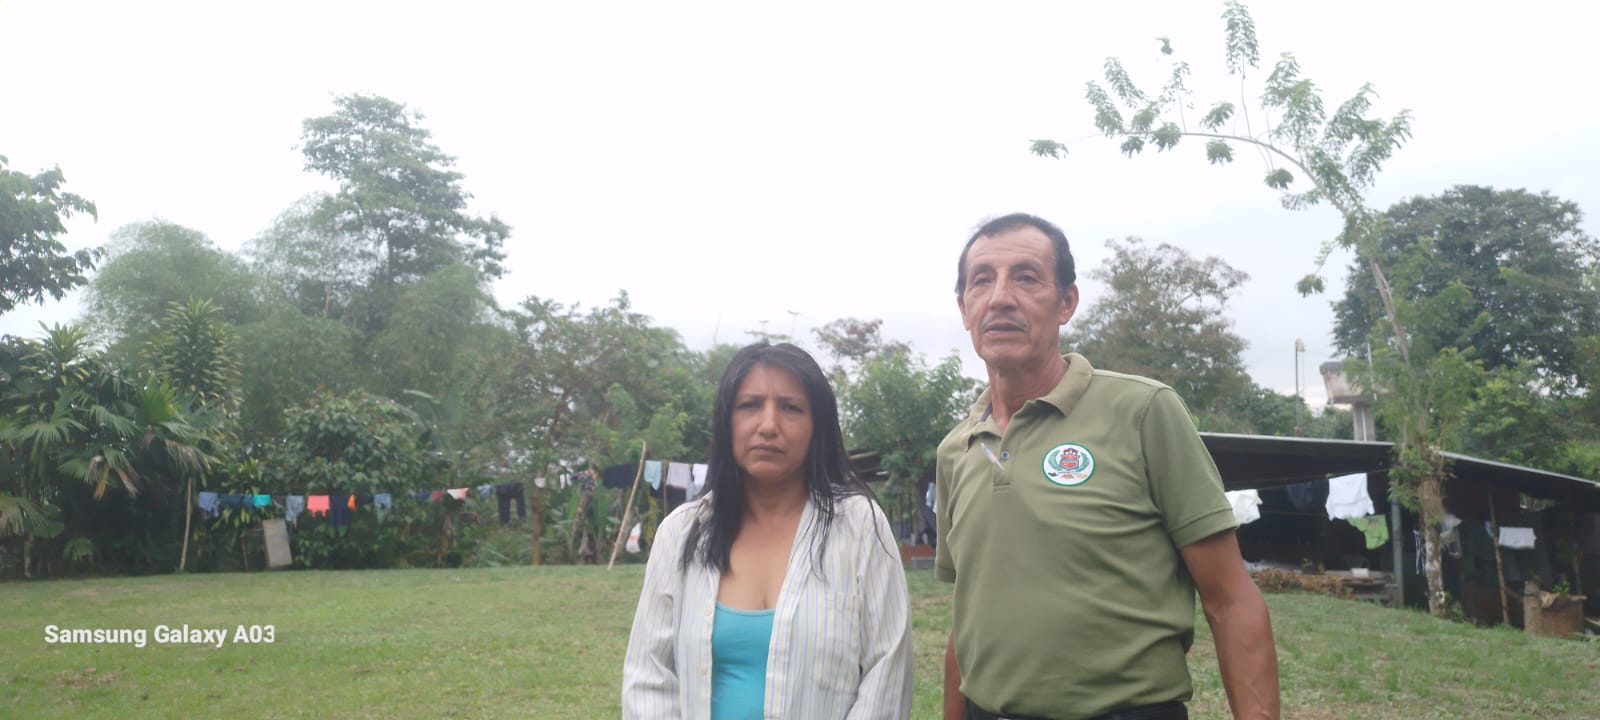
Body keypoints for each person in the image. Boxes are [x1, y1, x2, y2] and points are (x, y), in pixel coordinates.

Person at [937, 214, 1280, 720]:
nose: (1001, 297)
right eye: (981, 280)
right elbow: (967, 620)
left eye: (1026, 277)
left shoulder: (1143, 412)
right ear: (964, 307)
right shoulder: (956, 449)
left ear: (1067, 302)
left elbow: (1230, 600)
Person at [623, 341, 913, 719]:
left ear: (817, 427)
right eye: (750, 405)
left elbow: (887, 672)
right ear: (726, 422)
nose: (769, 425)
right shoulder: (680, 533)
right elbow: (649, 676)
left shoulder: (859, 527)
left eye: (791, 408)